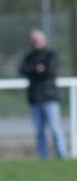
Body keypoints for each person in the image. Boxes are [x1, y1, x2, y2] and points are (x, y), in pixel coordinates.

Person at [19, 29, 66, 159]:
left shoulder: (51, 54)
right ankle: (43, 157)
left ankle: (61, 155)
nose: (36, 42)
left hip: (49, 97)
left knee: (55, 129)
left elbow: (51, 70)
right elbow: (23, 69)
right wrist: (36, 69)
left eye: (38, 39)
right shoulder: (29, 56)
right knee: (39, 131)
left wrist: (34, 70)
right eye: (34, 40)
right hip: (34, 98)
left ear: (44, 40)